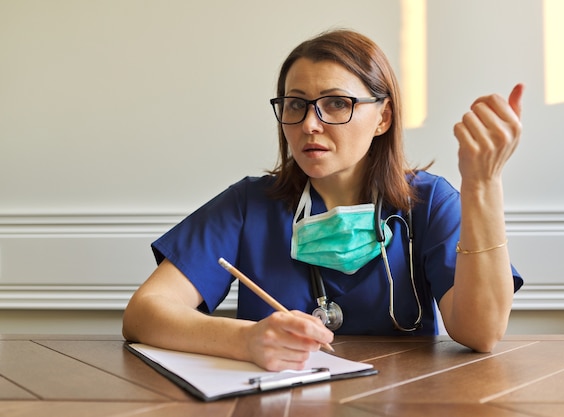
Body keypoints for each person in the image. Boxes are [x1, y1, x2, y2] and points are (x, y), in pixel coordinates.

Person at [122, 29, 524, 371]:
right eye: (296, 105)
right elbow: (145, 313)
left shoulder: (430, 201)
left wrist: (483, 183)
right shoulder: (248, 205)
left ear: (383, 117)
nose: (310, 124)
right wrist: (246, 340)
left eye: (336, 103)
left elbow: (482, 333)